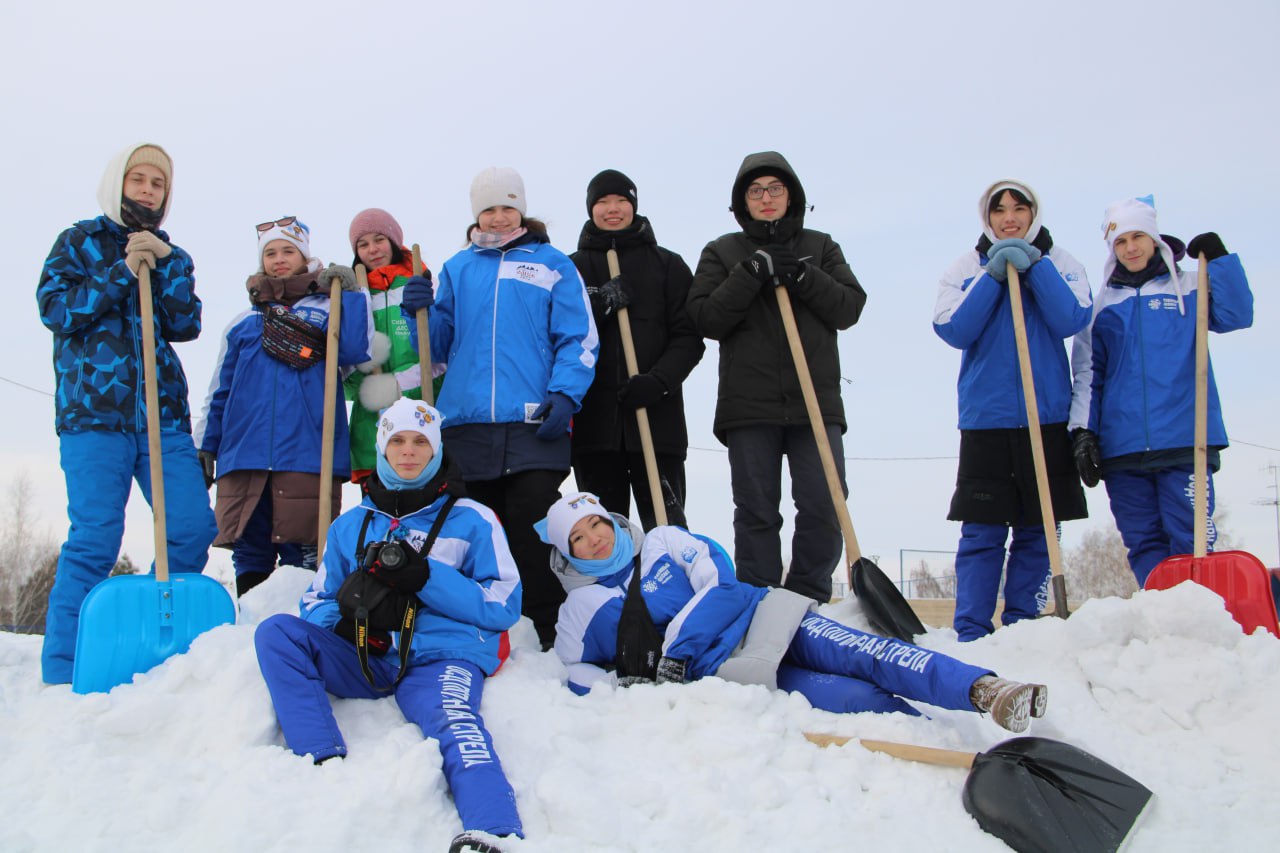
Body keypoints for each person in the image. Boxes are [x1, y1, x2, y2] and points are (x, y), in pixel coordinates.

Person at [538, 492, 1050, 733]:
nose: (593, 539)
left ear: (610, 518)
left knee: (867, 653)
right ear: (568, 552)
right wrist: (622, 688)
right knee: (853, 698)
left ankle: (984, 689)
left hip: (766, 617)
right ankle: (948, 743)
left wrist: (675, 651)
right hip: (733, 671)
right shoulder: (580, 609)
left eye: (595, 523)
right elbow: (574, 668)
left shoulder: (662, 542)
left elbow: (721, 582)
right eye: (577, 538)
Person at [255, 398, 523, 852]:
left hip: (440, 657)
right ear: (381, 448)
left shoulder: (473, 518)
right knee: (277, 634)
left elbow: (503, 604)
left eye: (421, 441)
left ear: (437, 450)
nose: (408, 451)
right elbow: (317, 598)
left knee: (455, 720)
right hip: (369, 652)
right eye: (397, 440)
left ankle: (493, 830)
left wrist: (428, 577)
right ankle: (318, 759)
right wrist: (344, 628)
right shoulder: (351, 526)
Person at [36, 142, 218, 685]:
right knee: (95, 537)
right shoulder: (79, 241)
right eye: (138, 180)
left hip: (160, 417)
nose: (147, 190)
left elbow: (185, 324)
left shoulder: (173, 255)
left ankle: (149, 628)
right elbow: (55, 310)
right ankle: (65, 663)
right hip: (92, 416)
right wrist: (121, 270)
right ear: (118, 183)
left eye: (157, 183)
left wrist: (164, 267)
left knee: (190, 527)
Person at [401, 166, 598, 649]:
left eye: (508, 206)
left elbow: (578, 337)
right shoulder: (458, 267)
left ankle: (548, 630)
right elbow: (439, 348)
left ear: (521, 209)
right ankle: (481, 628)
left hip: (533, 421)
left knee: (533, 525)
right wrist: (419, 312)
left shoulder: (552, 263)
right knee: (475, 532)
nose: (499, 214)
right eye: (489, 207)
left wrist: (565, 393)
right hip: (467, 424)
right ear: (477, 214)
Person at [686, 151, 866, 604]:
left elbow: (849, 307)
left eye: (775, 189)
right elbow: (705, 317)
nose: (766, 198)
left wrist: (803, 273)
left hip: (814, 403)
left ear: (792, 196)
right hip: (748, 406)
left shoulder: (820, 246)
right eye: (755, 191)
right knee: (756, 510)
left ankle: (806, 596)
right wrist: (751, 272)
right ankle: (758, 598)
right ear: (742, 201)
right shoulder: (723, 251)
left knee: (824, 504)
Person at [932, 180, 1092, 641]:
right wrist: (994, 275)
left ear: (1033, 213)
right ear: (987, 216)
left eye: (1019, 209)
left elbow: (1073, 319)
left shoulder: (1062, 263)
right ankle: (971, 629)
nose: (1009, 218)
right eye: (999, 210)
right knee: (982, 531)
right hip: (987, 418)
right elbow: (953, 329)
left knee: (1039, 529)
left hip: (1046, 416)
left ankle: (1024, 627)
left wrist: (1036, 268)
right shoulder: (965, 268)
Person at [1069, 196, 1253, 585]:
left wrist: (1219, 261)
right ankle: (1160, 616)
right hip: (1123, 447)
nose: (1130, 247)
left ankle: (1199, 615)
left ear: (1155, 239)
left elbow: (1237, 315)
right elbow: (1088, 372)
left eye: (1138, 237)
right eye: (1120, 242)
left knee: (1192, 539)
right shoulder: (1100, 307)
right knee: (1143, 541)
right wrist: (1083, 432)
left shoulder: (1189, 285)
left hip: (1185, 438)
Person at [194, 217, 371, 597]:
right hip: (245, 456)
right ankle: (247, 634)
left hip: (307, 454)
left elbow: (357, 352)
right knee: (250, 551)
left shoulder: (329, 309)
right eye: (270, 253)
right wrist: (205, 444)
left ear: (305, 257)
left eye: (288, 251)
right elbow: (219, 390)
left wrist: (352, 295)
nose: (278, 259)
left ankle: (298, 633)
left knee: (303, 552)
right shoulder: (243, 323)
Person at [568, 169, 704, 530]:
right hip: (594, 428)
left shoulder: (668, 265)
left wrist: (658, 382)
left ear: (634, 206)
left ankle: (669, 584)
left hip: (657, 424)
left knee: (666, 526)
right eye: (602, 202)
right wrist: (597, 307)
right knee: (604, 533)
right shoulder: (570, 269)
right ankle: (611, 588)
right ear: (590, 209)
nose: (612, 209)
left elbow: (689, 338)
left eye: (621, 201)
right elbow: (556, 335)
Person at [344, 208, 446, 483]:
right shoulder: (354, 296)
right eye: (363, 244)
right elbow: (344, 375)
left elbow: (440, 355)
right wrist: (362, 379)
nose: (372, 250)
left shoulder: (423, 283)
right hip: (372, 424)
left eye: (379, 239)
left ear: (393, 241)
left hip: (422, 411)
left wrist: (395, 386)